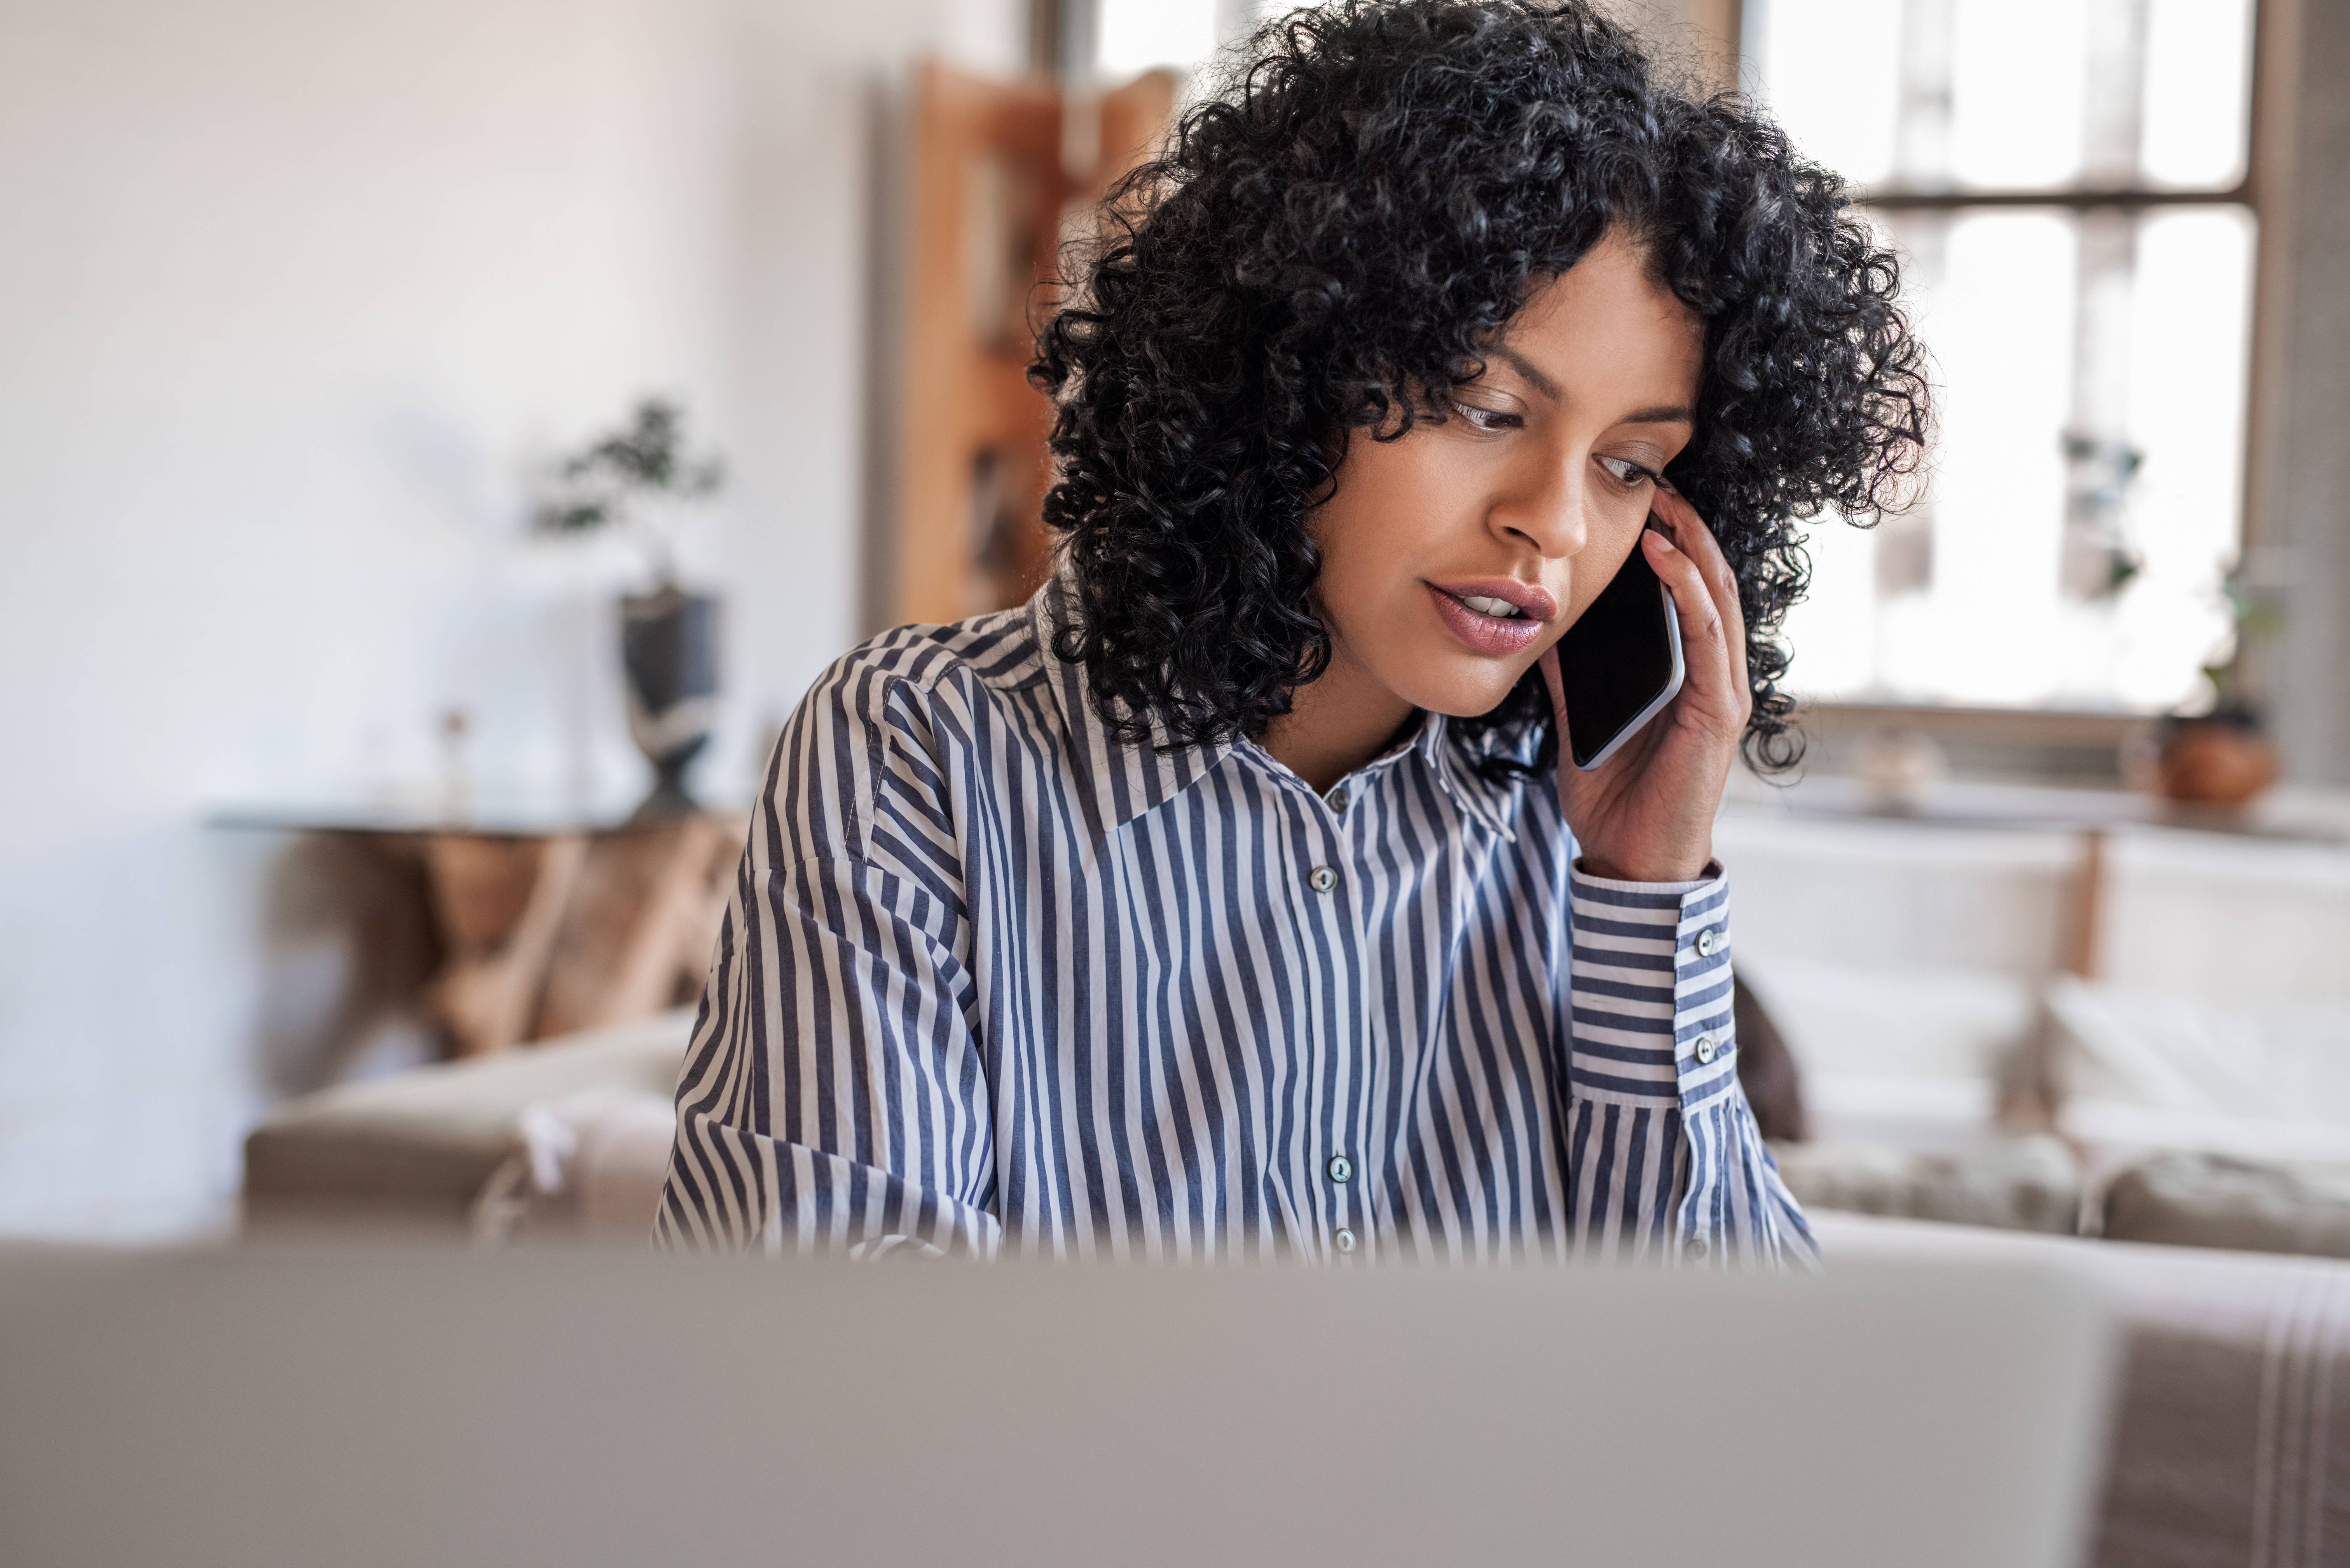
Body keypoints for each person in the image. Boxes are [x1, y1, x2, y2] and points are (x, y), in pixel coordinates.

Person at [657, 0, 1927, 1266]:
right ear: (1290, 368)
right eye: (1487, 407)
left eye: (1631, 462)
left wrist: (1648, 900)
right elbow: (825, 1383)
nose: (1553, 524)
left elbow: (1735, 1409)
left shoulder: (1580, 836)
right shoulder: (921, 753)